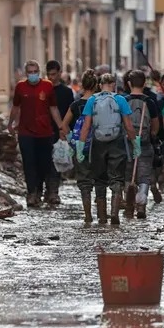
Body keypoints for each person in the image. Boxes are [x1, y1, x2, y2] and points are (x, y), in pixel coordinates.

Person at [77, 73, 137, 225]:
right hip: (117, 142)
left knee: (99, 179)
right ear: (114, 84)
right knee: (117, 178)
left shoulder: (92, 100)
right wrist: (135, 144)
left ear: (100, 85)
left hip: (98, 143)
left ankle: (102, 217)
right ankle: (115, 213)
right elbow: (129, 126)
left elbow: (86, 126)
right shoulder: (120, 99)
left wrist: (80, 147)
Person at [10, 60, 65, 208]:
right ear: (26, 73)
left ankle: (41, 190)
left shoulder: (47, 86)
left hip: (44, 132)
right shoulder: (20, 87)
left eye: (35, 72)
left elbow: (53, 108)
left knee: (44, 164)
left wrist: (61, 126)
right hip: (25, 131)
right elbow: (15, 107)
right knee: (29, 163)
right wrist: (10, 123)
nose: (33, 75)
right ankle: (32, 193)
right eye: (30, 72)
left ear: (39, 72)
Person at [60, 69, 98, 223]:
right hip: (98, 147)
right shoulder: (98, 103)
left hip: (80, 148)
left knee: (84, 181)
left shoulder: (75, 105)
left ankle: (88, 214)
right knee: (100, 181)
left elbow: (64, 125)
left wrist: (71, 140)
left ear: (82, 85)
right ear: (96, 85)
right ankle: (103, 215)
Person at [124, 70, 160, 219]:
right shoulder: (149, 101)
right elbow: (156, 125)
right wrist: (152, 135)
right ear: (144, 83)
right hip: (144, 142)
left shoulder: (123, 101)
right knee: (144, 175)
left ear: (128, 84)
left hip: (126, 143)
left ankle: (129, 205)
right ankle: (142, 205)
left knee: (127, 174)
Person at [42, 60, 74, 206]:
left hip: (59, 131)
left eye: (54, 74)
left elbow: (70, 112)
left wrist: (67, 131)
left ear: (60, 73)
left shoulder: (66, 92)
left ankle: (53, 191)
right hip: (43, 130)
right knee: (44, 161)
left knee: (57, 161)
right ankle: (45, 190)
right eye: (49, 74)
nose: (51, 77)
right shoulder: (43, 90)